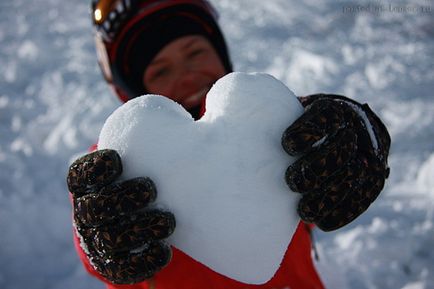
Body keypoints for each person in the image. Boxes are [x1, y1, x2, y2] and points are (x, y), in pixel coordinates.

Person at [67, 1, 391, 288]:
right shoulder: (116, 169)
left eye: (195, 52)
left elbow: (326, 152)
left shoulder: (271, 124)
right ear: (136, 91)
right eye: (161, 70)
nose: (187, 75)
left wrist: (357, 135)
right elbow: (93, 243)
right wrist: (96, 242)